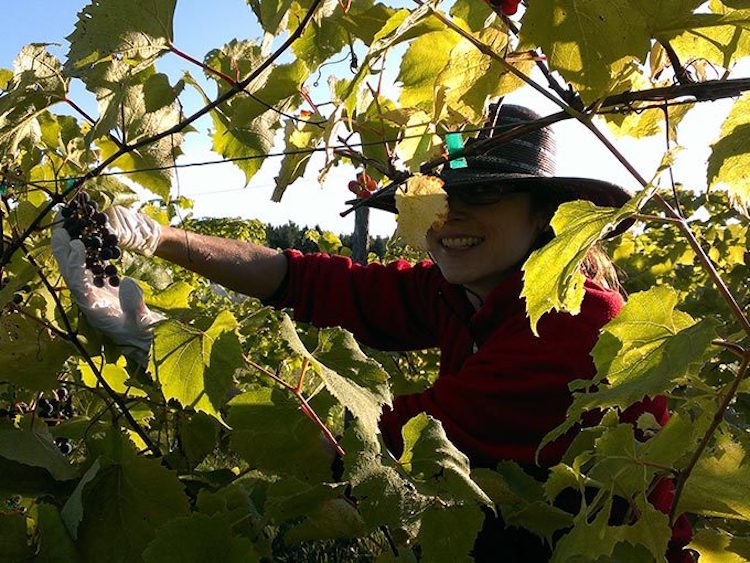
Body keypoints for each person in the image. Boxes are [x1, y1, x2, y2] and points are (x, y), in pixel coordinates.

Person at [51, 103, 692, 561]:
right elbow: (319, 284)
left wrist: (152, 337)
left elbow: (373, 445)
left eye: (487, 192)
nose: (450, 214)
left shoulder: (577, 327)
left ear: (544, 212)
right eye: (435, 194)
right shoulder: (469, 291)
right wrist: (160, 238)